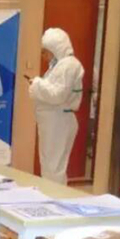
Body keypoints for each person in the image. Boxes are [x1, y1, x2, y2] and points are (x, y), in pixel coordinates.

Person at [28, 28, 84, 185]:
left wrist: (37, 83)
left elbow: (57, 95)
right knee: (51, 166)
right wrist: (39, 84)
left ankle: (52, 196)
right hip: (55, 121)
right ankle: (52, 194)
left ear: (55, 48)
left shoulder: (68, 66)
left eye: (45, 51)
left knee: (53, 167)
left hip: (58, 121)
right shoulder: (61, 66)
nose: (43, 55)